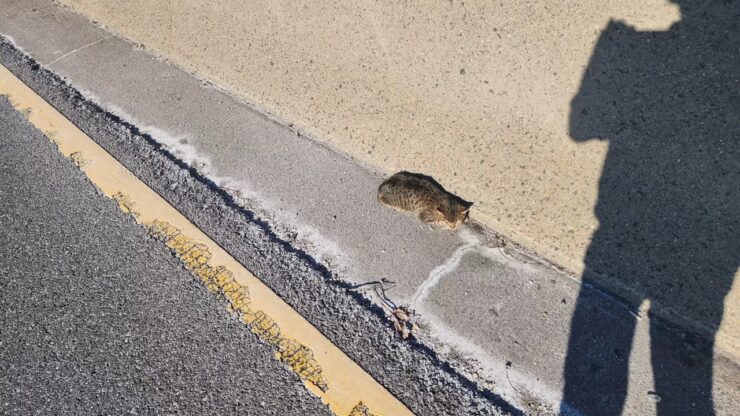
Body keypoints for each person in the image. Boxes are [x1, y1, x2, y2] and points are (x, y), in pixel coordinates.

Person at [561, 1, 739, 414]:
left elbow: (581, 126)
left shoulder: (641, 48)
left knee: (598, 372)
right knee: (686, 376)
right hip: (714, 247)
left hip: (623, 230)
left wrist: (617, 51)